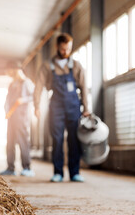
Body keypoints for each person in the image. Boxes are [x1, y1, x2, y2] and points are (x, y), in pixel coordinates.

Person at [33, 33, 90, 182]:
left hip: (73, 106)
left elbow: (83, 87)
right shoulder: (47, 66)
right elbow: (38, 86)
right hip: (56, 107)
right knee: (57, 139)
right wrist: (36, 106)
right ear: (57, 47)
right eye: (63, 49)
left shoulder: (76, 66)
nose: (65, 52)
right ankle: (58, 172)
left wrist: (86, 107)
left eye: (68, 49)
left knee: (74, 139)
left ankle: (74, 172)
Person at [0, 61, 35, 177]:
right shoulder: (12, 84)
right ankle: (10, 168)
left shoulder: (26, 82)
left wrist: (23, 100)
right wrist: (6, 111)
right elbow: (7, 100)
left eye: (9, 71)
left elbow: (33, 97)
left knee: (23, 141)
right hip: (11, 117)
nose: (8, 73)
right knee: (10, 142)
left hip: (21, 117)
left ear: (15, 69)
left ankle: (27, 168)